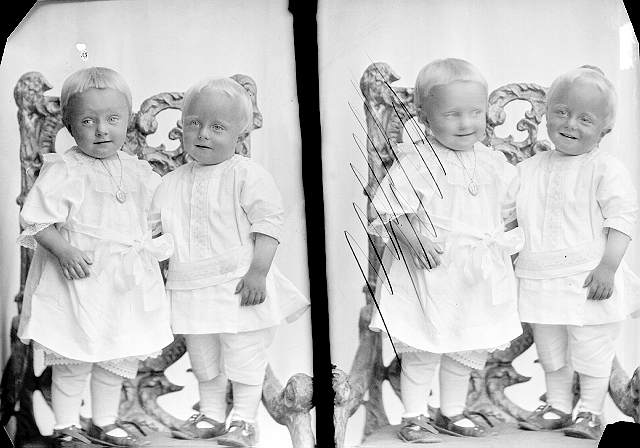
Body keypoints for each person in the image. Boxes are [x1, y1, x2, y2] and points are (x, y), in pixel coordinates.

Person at [367, 58, 524, 443]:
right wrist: (413, 237)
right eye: (452, 114)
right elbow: (386, 209)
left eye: (475, 112)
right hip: (431, 268)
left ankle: (452, 411)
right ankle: (414, 415)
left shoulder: (493, 162)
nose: (466, 123)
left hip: (474, 274)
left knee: (463, 346)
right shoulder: (419, 161)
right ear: (425, 117)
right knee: (423, 349)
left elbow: (508, 211)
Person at [17, 67, 175, 447]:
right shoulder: (66, 168)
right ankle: (66, 425)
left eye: (112, 119)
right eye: (88, 121)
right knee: (73, 358)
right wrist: (63, 249)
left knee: (115, 357)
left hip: (123, 283)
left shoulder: (140, 171)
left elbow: (159, 216)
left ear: (128, 120)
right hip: (77, 278)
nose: (102, 130)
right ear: (70, 126)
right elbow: (35, 220)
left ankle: (104, 421)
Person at [149, 77, 309, 447]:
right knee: (204, 358)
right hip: (189, 286)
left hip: (239, 284)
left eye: (217, 127)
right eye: (194, 123)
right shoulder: (169, 183)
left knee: (244, 354)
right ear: (182, 125)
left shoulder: (246, 174)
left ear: (240, 132)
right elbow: (152, 233)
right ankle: (211, 415)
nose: (202, 133)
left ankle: (244, 421)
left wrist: (258, 272)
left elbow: (268, 224)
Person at [513, 66, 640, 440]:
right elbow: (502, 215)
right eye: (562, 112)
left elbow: (622, 219)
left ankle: (590, 411)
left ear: (605, 129)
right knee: (551, 348)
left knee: (591, 347)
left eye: (585, 119)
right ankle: (556, 406)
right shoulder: (527, 170)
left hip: (590, 277)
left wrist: (608, 267)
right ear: (545, 114)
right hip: (540, 276)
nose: (570, 124)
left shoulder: (605, 169)